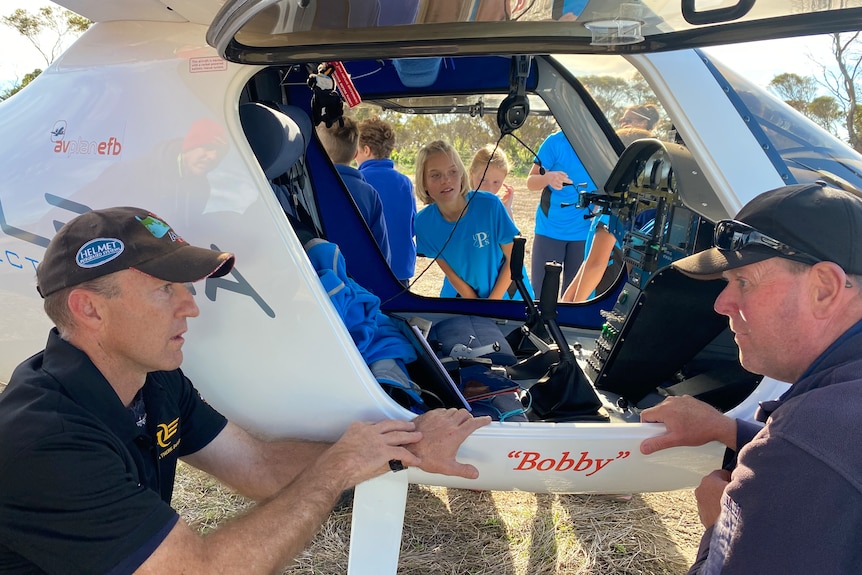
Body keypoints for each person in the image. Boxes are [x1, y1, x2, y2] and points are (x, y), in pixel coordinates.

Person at [0, 206, 490, 574]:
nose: (190, 306)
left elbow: (257, 465)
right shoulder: (45, 439)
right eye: (164, 288)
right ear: (89, 310)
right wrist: (337, 467)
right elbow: (198, 571)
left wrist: (400, 449)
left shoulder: (154, 381)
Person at [637, 182, 862, 574]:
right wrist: (727, 429)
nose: (722, 304)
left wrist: (717, 526)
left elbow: (810, 450)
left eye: (743, 281)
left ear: (824, 289)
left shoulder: (802, 441)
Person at [413, 140, 525, 300]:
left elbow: (514, 258)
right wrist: (476, 305)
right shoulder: (423, 223)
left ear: (461, 174)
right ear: (424, 183)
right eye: (435, 175)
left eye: (452, 171)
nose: (446, 180)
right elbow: (450, 273)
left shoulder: (490, 205)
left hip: (507, 296)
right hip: (466, 299)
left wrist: (492, 305)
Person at [526, 130, 596, 296]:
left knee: (577, 297)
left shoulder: (600, 142)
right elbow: (531, 182)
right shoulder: (555, 142)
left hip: (584, 232)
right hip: (550, 229)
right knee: (541, 294)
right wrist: (548, 177)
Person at [316, 116, 393, 267]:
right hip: (360, 280)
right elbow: (382, 253)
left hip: (319, 276)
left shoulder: (311, 188)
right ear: (355, 154)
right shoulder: (369, 194)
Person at [356, 116, 417, 287]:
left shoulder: (359, 181)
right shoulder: (405, 182)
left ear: (366, 150)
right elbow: (412, 226)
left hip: (369, 267)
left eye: (357, 151)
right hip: (400, 268)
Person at [560, 209, 625, 302]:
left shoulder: (611, 216)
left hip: (601, 297)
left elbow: (596, 264)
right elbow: (590, 259)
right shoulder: (606, 213)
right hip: (597, 296)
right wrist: (567, 299)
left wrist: (577, 306)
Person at [468, 143, 515, 218]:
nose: (489, 189)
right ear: (471, 172)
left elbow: (511, 229)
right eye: (483, 180)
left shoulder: (499, 205)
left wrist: (506, 209)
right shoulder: (461, 202)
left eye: (496, 182)